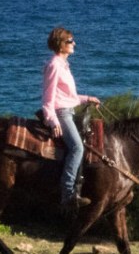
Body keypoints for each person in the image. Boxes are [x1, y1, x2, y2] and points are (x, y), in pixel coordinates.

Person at [41, 26, 102, 211]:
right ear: (61, 44)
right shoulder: (54, 65)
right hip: (61, 113)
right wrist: (52, 120)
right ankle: (68, 194)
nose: (74, 43)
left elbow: (68, 96)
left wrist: (87, 98)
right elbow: (48, 97)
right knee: (77, 147)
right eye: (70, 41)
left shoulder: (64, 65)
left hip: (68, 109)